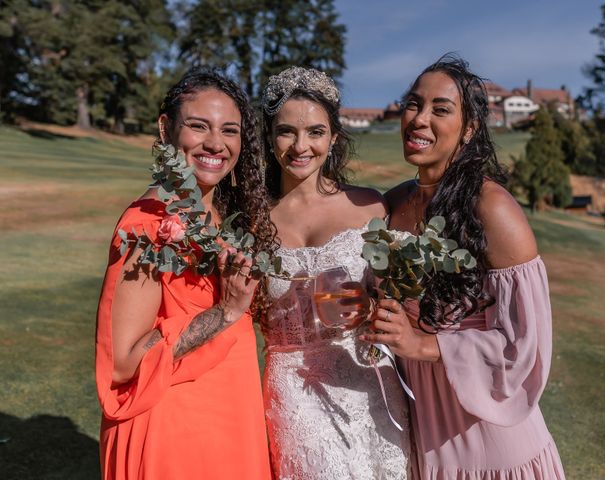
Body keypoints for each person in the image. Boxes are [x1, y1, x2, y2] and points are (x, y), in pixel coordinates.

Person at [361, 54, 566, 479]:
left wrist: (423, 344)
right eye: (413, 104)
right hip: (420, 429)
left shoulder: (492, 207)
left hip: (488, 438)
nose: (419, 119)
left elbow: (523, 346)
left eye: (441, 109)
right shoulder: (392, 203)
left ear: (469, 129)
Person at [95, 67, 274, 479]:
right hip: (175, 430)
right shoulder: (146, 225)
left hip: (232, 417)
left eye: (229, 130)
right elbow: (124, 362)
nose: (216, 143)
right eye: (198, 126)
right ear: (165, 128)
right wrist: (223, 313)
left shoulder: (223, 216)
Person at [259, 66, 411, 479]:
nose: (300, 146)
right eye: (286, 131)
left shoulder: (370, 207)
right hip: (294, 385)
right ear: (270, 137)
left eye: (315, 132)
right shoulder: (252, 220)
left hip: (368, 375)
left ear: (334, 138)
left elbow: (397, 293)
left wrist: (374, 302)